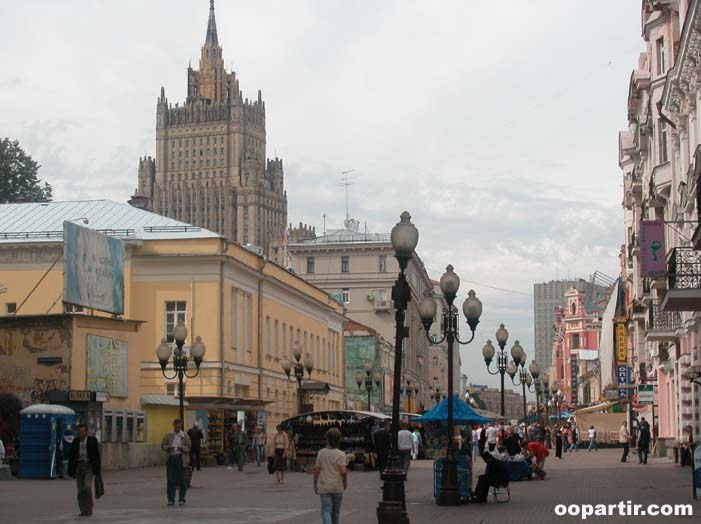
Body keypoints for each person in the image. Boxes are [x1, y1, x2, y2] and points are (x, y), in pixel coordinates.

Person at [314, 428, 347, 524]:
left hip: (325, 487)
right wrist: (345, 483)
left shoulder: (321, 453)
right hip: (337, 487)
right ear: (339, 440)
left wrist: (315, 485)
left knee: (326, 511)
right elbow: (343, 472)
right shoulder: (341, 454)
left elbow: (316, 471)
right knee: (336, 512)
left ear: (327, 439)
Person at [67, 423, 101, 517]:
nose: (81, 433)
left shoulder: (92, 441)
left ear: (86, 432)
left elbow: (97, 456)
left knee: (87, 487)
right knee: (80, 490)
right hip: (78, 467)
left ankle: (89, 507)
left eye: (82, 431)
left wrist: (97, 470)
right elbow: (72, 456)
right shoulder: (75, 442)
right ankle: (83, 510)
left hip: (89, 466)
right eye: (79, 432)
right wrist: (71, 471)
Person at [160, 418, 191, 506]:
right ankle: (171, 499)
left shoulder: (185, 436)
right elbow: (162, 446)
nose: (178, 427)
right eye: (177, 425)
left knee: (182, 480)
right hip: (171, 458)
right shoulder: (168, 435)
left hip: (181, 458)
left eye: (180, 425)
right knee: (170, 479)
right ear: (174, 425)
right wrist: (169, 447)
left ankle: (181, 499)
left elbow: (189, 448)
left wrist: (182, 447)